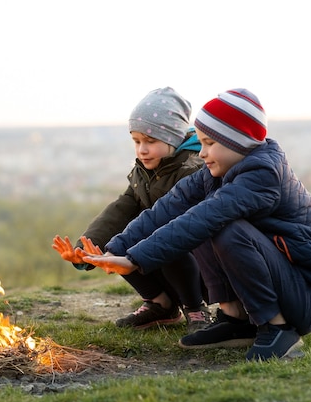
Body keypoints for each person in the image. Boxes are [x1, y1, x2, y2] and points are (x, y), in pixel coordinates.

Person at [79, 88, 311, 361]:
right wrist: (115, 250)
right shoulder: (213, 175)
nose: (201, 153)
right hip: (286, 285)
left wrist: (135, 259)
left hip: (306, 296)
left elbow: (201, 219)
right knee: (200, 216)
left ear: (237, 142)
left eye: (209, 144)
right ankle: (234, 319)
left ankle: (277, 327)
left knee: (220, 225)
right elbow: (165, 208)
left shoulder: (262, 175)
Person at [52, 86, 211, 334]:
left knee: (165, 237)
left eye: (150, 141)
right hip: (160, 258)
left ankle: (195, 308)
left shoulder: (194, 171)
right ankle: (161, 304)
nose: (142, 150)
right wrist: (85, 251)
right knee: (119, 238)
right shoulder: (142, 173)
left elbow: (191, 229)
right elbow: (119, 211)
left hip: (204, 268)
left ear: (174, 139)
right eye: (136, 141)